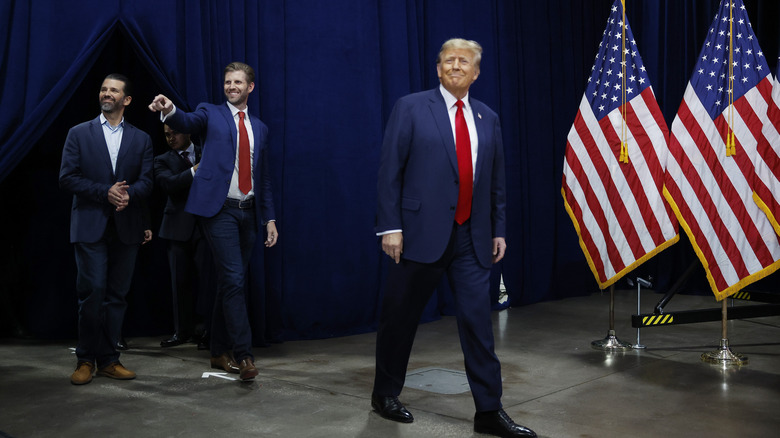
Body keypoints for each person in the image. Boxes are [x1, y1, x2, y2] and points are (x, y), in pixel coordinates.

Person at [372, 39, 536, 437]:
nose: (456, 66)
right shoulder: (411, 107)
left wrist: (498, 229)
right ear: (438, 68)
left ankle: (489, 412)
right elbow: (389, 170)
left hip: (472, 238)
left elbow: (495, 181)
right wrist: (390, 227)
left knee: (479, 324)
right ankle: (385, 394)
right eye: (449, 60)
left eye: (465, 61)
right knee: (400, 318)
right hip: (418, 236)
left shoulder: (487, 117)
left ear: (476, 73)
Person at [148, 62, 278, 381]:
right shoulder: (210, 113)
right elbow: (186, 120)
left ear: (250, 87)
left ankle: (218, 351)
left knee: (229, 283)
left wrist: (270, 218)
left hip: (248, 212)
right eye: (227, 82)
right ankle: (244, 355)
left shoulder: (260, 128)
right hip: (218, 210)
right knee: (234, 280)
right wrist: (169, 110)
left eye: (237, 82)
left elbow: (264, 179)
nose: (231, 86)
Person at [59, 73, 153, 385]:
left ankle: (109, 359)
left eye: (113, 90)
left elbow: (147, 181)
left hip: (126, 227)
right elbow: (67, 177)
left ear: (126, 100)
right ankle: (85, 359)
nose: (106, 93)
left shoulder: (141, 138)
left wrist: (129, 195)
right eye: (103, 89)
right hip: (89, 225)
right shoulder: (78, 133)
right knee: (93, 293)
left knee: (117, 296)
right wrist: (105, 192)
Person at [155, 125, 214, 349]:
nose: (171, 138)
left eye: (175, 133)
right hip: (177, 228)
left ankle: (208, 330)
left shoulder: (206, 151)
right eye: (167, 134)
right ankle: (182, 332)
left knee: (207, 281)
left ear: (188, 132)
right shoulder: (161, 160)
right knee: (179, 282)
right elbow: (169, 184)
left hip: (205, 226)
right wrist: (195, 171)